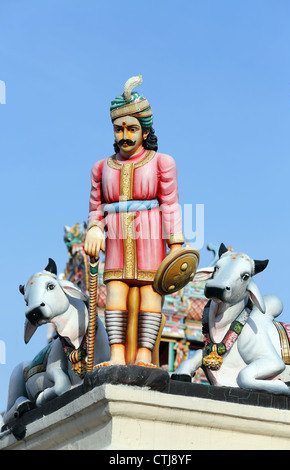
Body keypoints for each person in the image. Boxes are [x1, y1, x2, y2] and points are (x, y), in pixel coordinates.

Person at [84, 76, 184, 367]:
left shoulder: (161, 162)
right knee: (115, 294)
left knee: (149, 295)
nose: (124, 135)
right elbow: (96, 207)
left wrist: (175, 245)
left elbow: (170, 204)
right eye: (119, 129)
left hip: (150, 236)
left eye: (131, 129)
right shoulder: (101, 168)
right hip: (115, 237)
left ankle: (143, 354)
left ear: (145, 131)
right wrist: (93, 227)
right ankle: (116, 354)